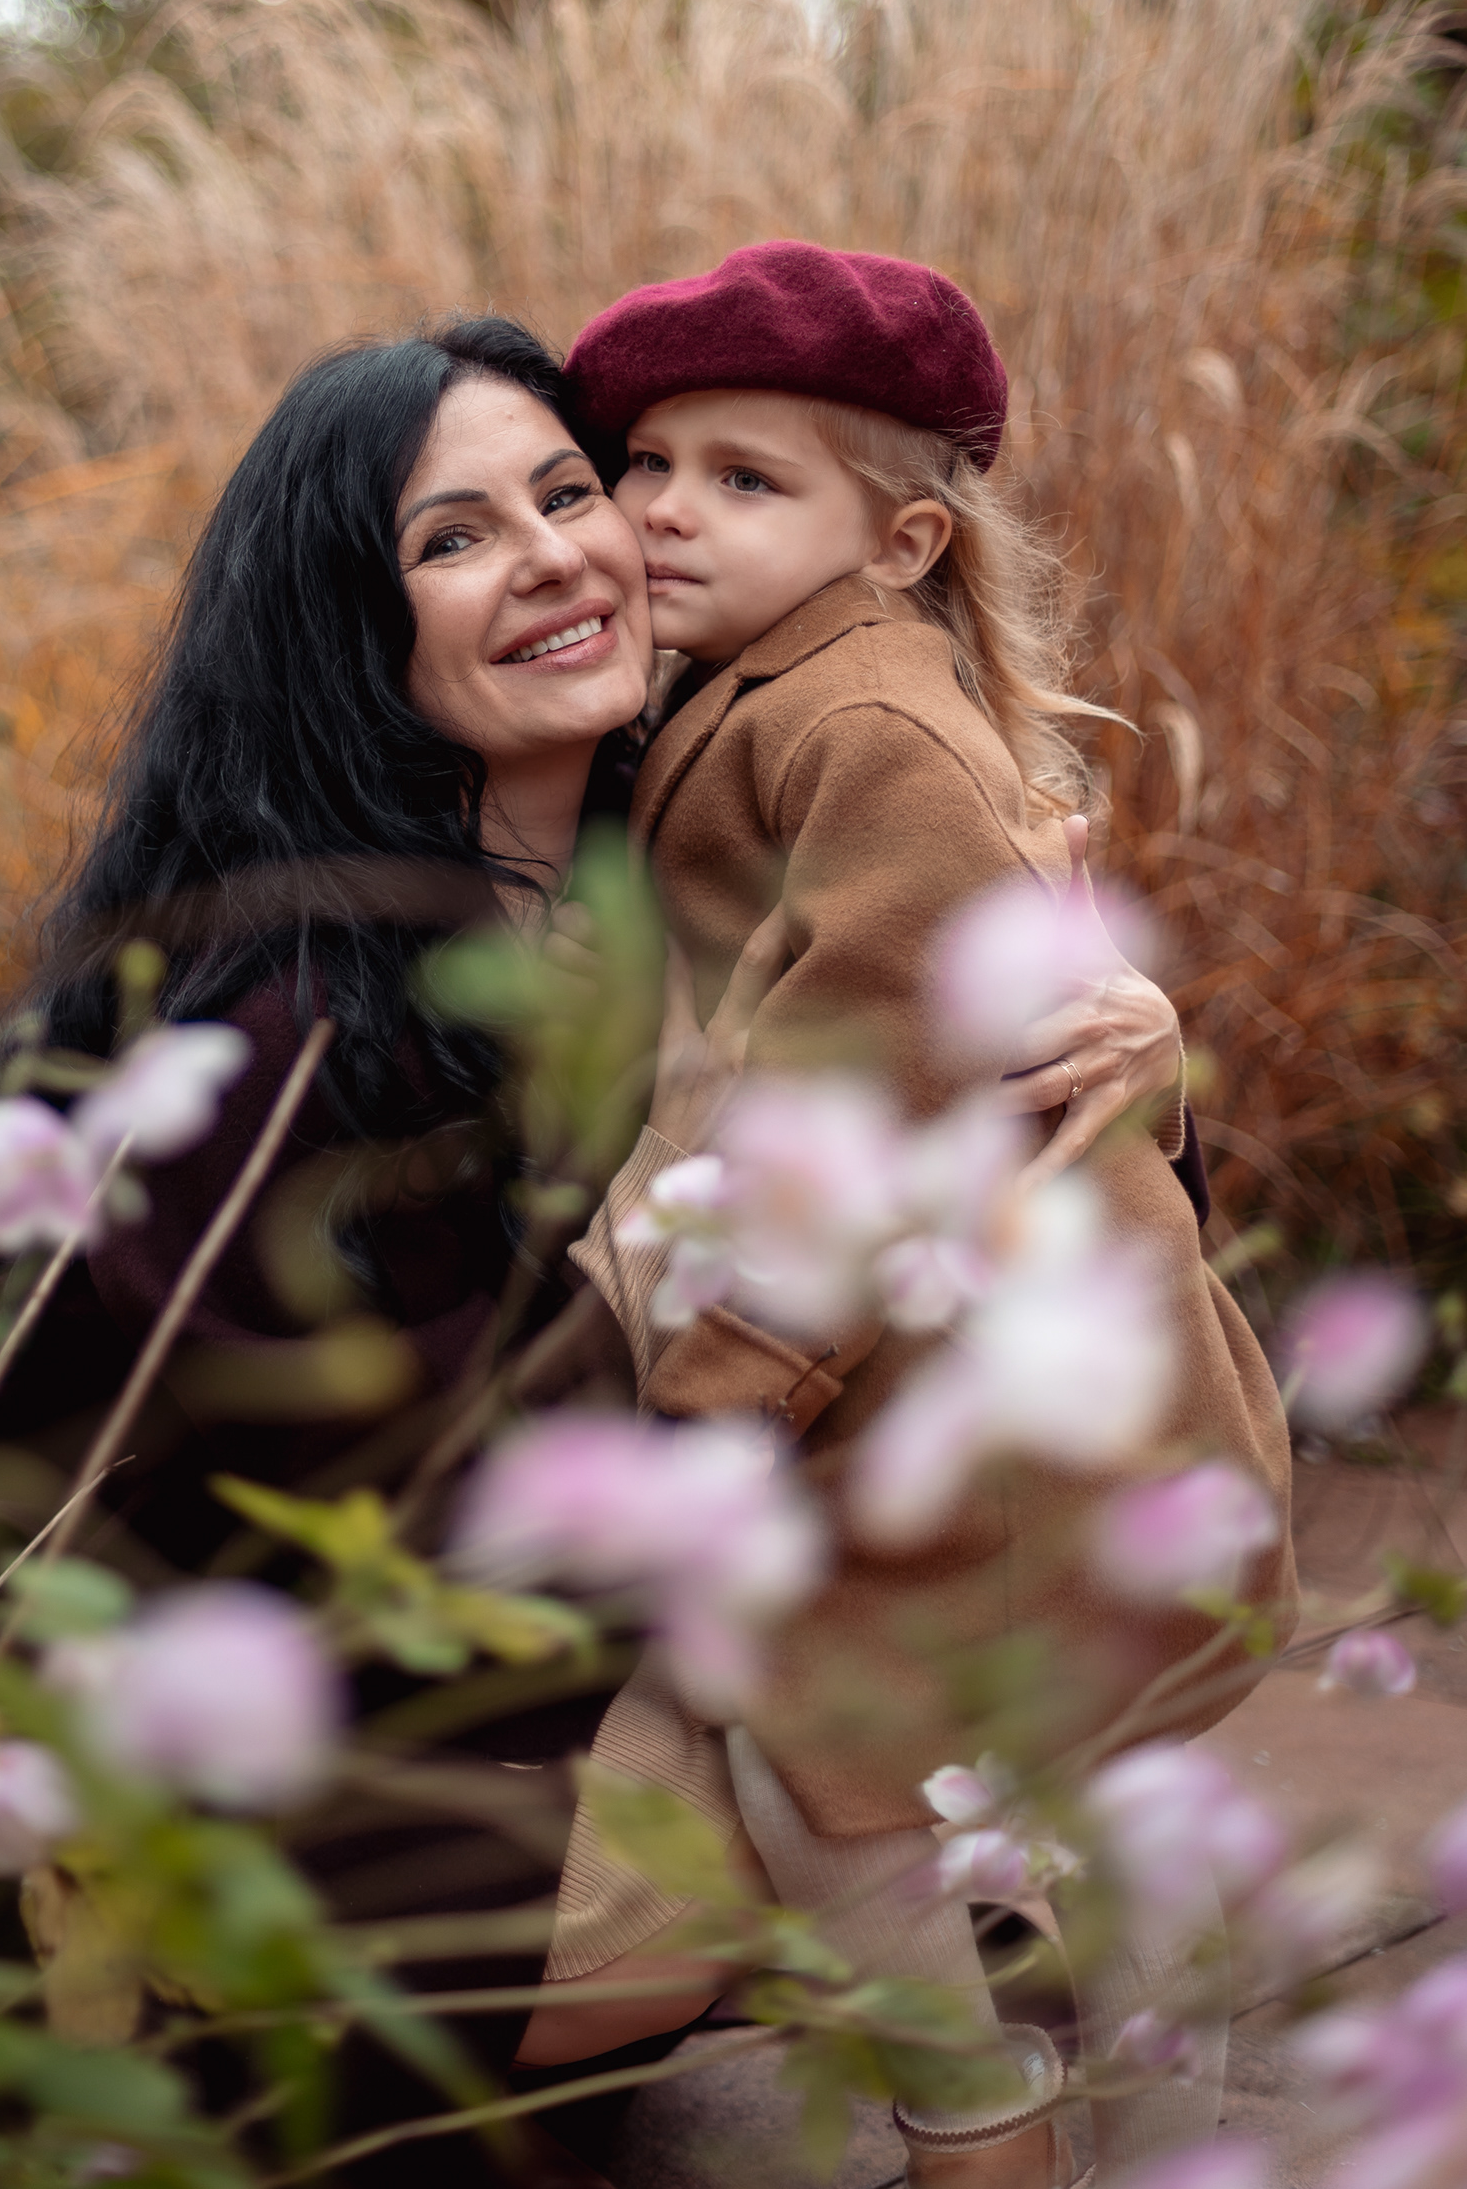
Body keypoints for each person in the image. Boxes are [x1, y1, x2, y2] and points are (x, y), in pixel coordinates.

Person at [0, 310, 1199, 2183]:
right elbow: (434, 1548)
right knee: (865, 1785)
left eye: (572, 491)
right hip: (268, 1751)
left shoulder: (689, 863)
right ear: (347, 628)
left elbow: (988, 1215)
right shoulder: (284, 1027)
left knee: (948, 1702)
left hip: (546, 1666)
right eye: (454, 537)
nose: (557, 554)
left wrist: (1117, 1061)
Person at [531, 242, 1298, 2188]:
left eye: (744, 478)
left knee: (864, 1764)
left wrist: (721, 1390)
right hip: (924, 1350)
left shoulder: (861, 725)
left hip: (978, 1375)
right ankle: (1064, 2063)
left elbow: (872, 1071)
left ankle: (1002, 2111)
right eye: (648, 462)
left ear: (901, 543)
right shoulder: (751, 692)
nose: (662, 510)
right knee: (959, 1759)